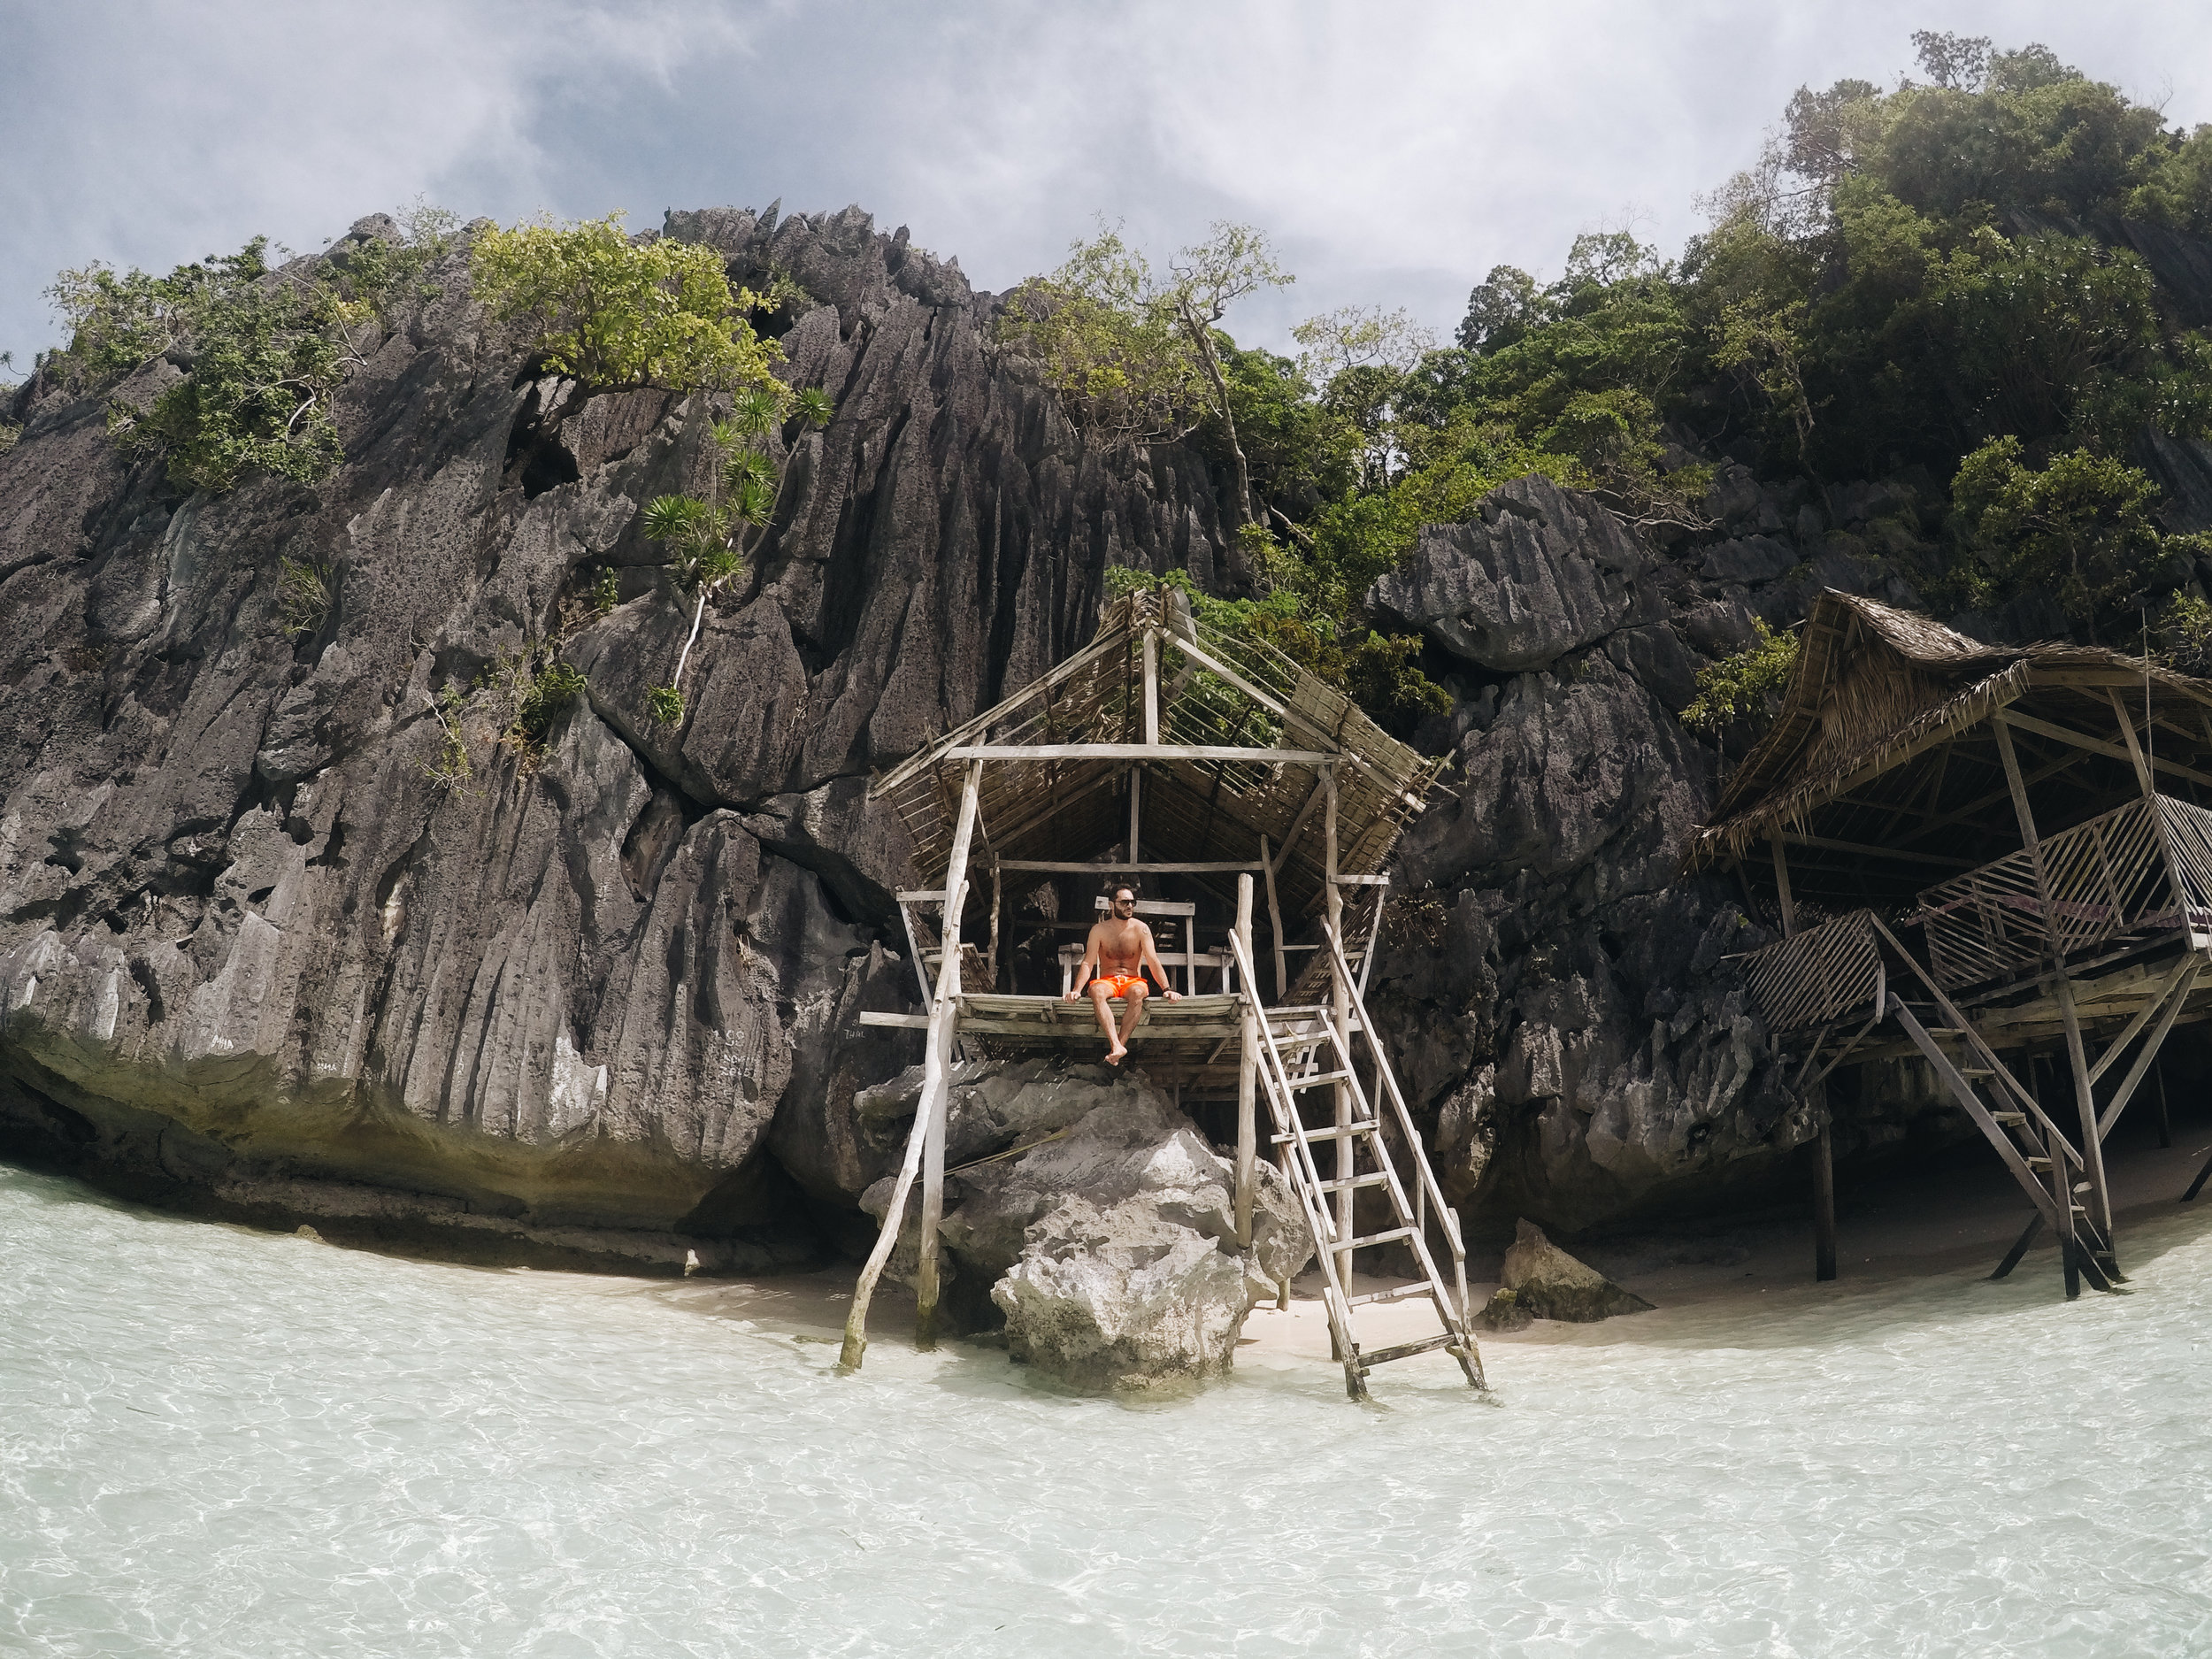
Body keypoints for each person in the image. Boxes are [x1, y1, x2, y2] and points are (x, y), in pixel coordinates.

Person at [1064, 885, 1181, 1064]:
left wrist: (1167, 989)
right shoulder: (1099, 930)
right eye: (1124, 902)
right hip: (1108, 980)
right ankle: (1116, 1045)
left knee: (1138, 992)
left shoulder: (1141, 929)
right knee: (1096, 991)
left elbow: (1153, 960)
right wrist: (1076, 990)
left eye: (1132, 902)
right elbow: (1088, 962)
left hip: (1132, 980)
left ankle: (1119, 1046)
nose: (1130, 906)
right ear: (1112, 905)